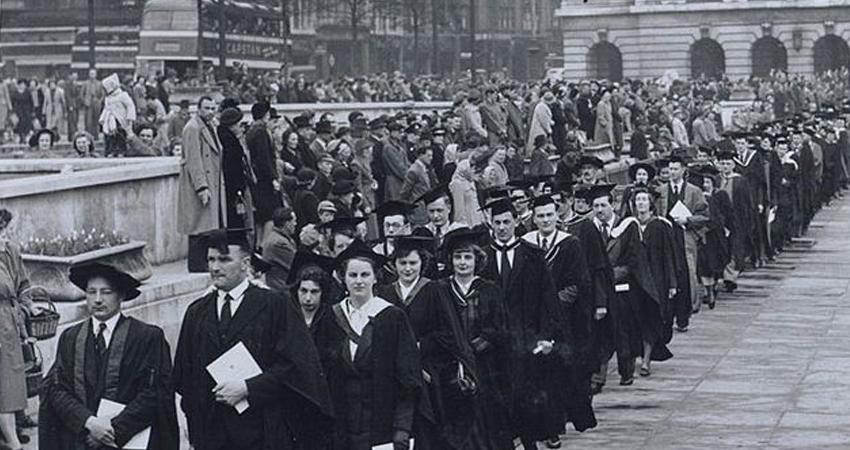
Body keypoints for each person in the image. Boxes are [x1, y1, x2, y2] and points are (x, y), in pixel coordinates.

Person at [173, 228, 333, 450]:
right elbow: (185, 376)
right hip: (212, 432)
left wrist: (249, 388)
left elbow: (295, 366)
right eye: (211, 259)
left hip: (262, 430)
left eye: (224, 259)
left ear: (245, 263)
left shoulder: (275, 305)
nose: (215, 267)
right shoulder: (197, 312)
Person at [38, 263, 179, 450]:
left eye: (106, 292)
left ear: (121, 295)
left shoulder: (146, 337)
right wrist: (89, 423)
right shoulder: (70, 337)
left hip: (129, 439)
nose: (97, 300)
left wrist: (112, 430)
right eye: (91, 292)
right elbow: (57, 390)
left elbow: (155, 393)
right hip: (81, 438)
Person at [310, 241, 422, 450]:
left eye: (365, 275)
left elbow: (408, 377)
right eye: (353, 275)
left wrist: (402, 428)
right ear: (343, 278)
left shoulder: (392, 317)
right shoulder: (331, 318)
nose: (359, 281)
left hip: (382, 422)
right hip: (342, 423)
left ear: (375, 277)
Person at [376, 236, 478, 449]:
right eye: (402, 263)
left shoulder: (435, 290)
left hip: (430, 371)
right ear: (394, 264)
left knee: (428, 429)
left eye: (413, 263)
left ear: (422, 263)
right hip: (394, 371)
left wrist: (421, 345)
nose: (407, 268)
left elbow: (449, 332)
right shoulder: (385, 293)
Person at [479, 198, 559, 450]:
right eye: (497, 223)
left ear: (516, 222)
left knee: (527, 397)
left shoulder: (532, 255)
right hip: (493, 342)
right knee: (498, 399)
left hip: (526, 339)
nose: (502, 227)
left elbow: (547, 299)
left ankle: (530, 443)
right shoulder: (482, 257)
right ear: (491, 225)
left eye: (506, 222)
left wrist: (546, 336)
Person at [520, 194, 597, 445]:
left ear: (557, 216)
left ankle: (555, 428)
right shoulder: (525, 244)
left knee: (558, 376)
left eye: (549, 215)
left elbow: (577, 284)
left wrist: (552, 305)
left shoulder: (570, 244)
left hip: (564, 322)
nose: (545, 220)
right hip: (532, 321)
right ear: (533, 218)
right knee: (535, 376)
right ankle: (541, 427)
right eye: (540, 216)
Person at [0, 210, 40, 450]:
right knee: (6, 381)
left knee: (15, 376)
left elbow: (23, 284)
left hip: (13, 321)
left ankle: (15, 426)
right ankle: (11, 439)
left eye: (5, 228)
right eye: (1, 230)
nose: (5, 235)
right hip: (2, 323)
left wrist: (27, 307)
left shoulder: (11, 252)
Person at [655, 155, 708, 329]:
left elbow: (704, 216)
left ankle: (684, 316)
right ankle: (667, 316)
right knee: (667, 274)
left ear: (683, 170)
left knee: (686, 275)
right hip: (666, 238)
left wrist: (688, 220)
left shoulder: (694, 191)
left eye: (676, 169)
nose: (672, 172)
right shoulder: (660, 191)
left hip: (685, 237)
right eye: (670, 169)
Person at [178, 96, 225, 257]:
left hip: (212, 182)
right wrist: (201, 187)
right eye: (207, 108)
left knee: (207, 228)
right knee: (198, 228)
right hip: (201, 185)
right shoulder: (192, 128)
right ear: (198, 109)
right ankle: (197, 265)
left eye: (213, 108)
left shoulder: (210, 126)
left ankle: (203, 263)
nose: (210, 112)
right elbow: (193, 160)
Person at [247, 101, 282, 247]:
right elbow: (264, 158)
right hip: (264, 180)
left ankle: (258, 246)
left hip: (257, 179)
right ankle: (264, 246)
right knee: (269, 215)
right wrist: (273, 178)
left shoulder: (252, 130)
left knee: (260, 218)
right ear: (265, 115)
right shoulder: (261, 131)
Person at [218, 107, 256, 231]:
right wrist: (239, 187)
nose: (241, 127)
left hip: (230, 186)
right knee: (238, 217)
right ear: (232, 125)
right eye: (239, 124)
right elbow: (233, 167)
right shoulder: (230, 142)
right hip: (234, 187)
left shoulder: (225, 138)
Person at [99, 73, 136, 157]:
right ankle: (111, 151)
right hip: (110, 120)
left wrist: (130, 117)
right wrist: (103, 118)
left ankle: (121, 151)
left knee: (121, 135)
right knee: (111, 136)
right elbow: (106, 108)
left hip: (121, 119)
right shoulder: (108, 98)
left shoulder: (123, 95)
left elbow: (130, 105)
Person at [262, 207, 298, 293]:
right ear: (287, 224)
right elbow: (297, 265)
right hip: (282, 289)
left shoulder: (278, 238)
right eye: (294, 221)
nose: (296, 224)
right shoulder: (279, 243)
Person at [400, 145, 434, 225]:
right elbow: (405, 192)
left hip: (424, 208)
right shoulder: (414, 170)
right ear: (421, 155)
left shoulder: (424, 168)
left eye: (431, 156)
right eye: (428, 155)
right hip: (417, 209)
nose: (431, 158)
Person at [381, 122, 411, 201]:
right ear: (392, 133)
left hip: (401, 180)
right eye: (399, 132)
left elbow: (406, 162)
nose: (401, 134)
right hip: (393, 181)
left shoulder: (400, 146)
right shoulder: (388, 148)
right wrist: (409, 177)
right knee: (395, 201)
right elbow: (397, 166)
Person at [81, 69, 104, 138]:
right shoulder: (85, 83)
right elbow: (81, 94)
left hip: (96, 104)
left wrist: (99, 101)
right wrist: (85, 101)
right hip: (88, 104)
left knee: (96, 121)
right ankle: (88, 136)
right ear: (88, 75)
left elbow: (102, 94)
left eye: (93, 73)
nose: (92, 75)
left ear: (96, 74)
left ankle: (96, 136)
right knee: (88, 121)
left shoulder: (99, 83)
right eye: (91, 74)